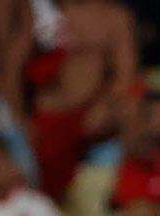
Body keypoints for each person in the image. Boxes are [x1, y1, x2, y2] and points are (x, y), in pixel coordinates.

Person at [25, 0, 137, 200]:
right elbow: (13, 65)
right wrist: (19, 118)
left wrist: (105, 105)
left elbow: (124, 75)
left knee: (130, 109)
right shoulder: (40, 12)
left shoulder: (113, 16)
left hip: (92, 113)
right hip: (47, 115)